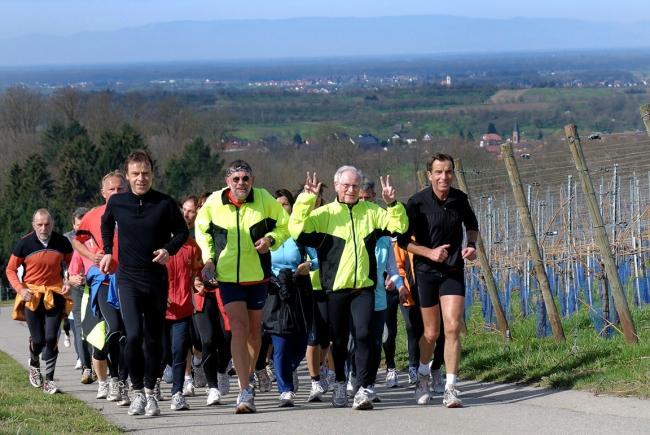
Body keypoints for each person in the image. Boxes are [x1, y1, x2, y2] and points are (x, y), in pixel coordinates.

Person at [289, 166, 407, 410]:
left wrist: (392, 204)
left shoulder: (372, 212)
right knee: (340, 341)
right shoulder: (325, 214)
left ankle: (363, 388)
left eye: (355, 185)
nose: (351, 190)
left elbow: (399, 227)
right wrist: (305, 201)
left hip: (363, 287)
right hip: (335, 288)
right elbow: (297, 230)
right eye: (346, 185)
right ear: (336, 186)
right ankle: (341, 382)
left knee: (364, 334)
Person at [195, 159, 289, 414]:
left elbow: (285, 225)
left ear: (252, 181)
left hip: (257, 276)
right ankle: (244, 389)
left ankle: (248, 374)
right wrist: (209, 259)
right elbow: (201, 231)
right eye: (235, 179)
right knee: (239, 327)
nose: (241, 183)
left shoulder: (264, 199)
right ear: (227, 182)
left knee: (254, 332)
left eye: (245, 179)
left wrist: (271, 239)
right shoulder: (214, 202)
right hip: (228, 278)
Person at [100, 149, 189, 417]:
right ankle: (136, 391)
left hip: (155, 278)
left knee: (153, 338)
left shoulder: (164, 203)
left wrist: (168, 250)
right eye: (136, 174)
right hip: (127, 278)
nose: (141, 178)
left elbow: (183, 231)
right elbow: (106, 224)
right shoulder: (117, 203)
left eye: (146, 173)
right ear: (128, 176)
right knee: (133, 335)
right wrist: (107, 250)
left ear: (152, 174)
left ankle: (151, 392)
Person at [397, 152, 478, 408]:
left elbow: (472, 225)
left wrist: (471, 245)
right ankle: (423, 374)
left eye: (449, 171)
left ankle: (451, 388)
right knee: (431, 333)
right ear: (429, 175)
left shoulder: (459, 199)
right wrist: (429, 252)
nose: (444, 176)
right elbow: (402, 241)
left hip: (453, 269)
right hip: (426, 272)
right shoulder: (416, 203)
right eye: (439, 172)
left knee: (452, 327)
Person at [73, 171, 130, 405]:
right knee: (115, 328)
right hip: (106, 280)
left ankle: (127, 382)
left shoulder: (135, 210)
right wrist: (91, 255)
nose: (116, 193)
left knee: (131, 334)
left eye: (120, 189)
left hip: (131, 279)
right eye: (112, 189)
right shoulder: (94, 215)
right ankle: (115, 379)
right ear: (103, 192)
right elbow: (77, 240)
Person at [7, 209, 73, 394]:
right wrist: (21, 289)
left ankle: (49, 381)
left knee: (51, 337)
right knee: (38, 340)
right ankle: (34, 362)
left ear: (52, 224)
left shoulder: (62, 242)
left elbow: (73, 265)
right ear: (33, 225)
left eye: (47, 224)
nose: (44, 228)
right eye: (40, 224)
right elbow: (11, 270)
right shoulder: (24, 244)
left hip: (55, 293)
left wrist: (68, 281)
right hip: (33, 295)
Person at [263, 189, 315, 407]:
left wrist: (308, 266)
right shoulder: (266, 234)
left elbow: (317, 258)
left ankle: (287, 368)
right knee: (280, 341)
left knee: (301, 343)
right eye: (277, 205)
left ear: (292, 207)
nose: (281, 208)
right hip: (274, 289)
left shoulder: (300, 232)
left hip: (299, 287)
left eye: (285, 204)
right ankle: (285, 389)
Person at [162, 195, 204, 411]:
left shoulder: (192, 246)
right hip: (159, 308)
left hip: (183, 307)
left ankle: (177, 393)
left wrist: (200, 281)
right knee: (161, 352)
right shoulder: (157, 242)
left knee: (180, 350)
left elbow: (197, 273)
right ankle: (152, 386)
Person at [63, 207, 92, 375]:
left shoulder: (99, 237)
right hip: (76, 285)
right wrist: (68, 280)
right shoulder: (67, 241)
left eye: (85, 224)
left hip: (98, 284)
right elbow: (58, 266)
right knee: (79, 327)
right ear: (73, 225)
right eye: (78, 225)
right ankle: (86, 366)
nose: (81, 228)